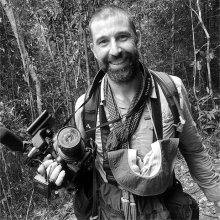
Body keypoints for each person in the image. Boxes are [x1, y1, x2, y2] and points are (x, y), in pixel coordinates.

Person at [37, 5, 220, 220]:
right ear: (94, 49)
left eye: (122, 37)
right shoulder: (86, 107)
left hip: (164, 209)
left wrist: (217, 199)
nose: (114, 50)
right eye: (103, 41)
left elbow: (194, 151)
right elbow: (81, 165)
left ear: (137, 38)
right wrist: (61, 174)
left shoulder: (171, 90)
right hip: (111, 210)